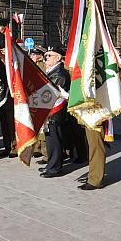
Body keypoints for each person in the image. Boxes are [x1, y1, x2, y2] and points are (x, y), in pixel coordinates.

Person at [41, 46, 71, 178]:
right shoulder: (52, 71)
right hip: (50, 112)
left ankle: (55, 168)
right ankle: (51, 163)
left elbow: (50, 93)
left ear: (58, 58)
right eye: (46, 55)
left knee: (54, 140)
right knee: (50, 139)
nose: (46, 57)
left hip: (55, 112)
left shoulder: (59, 73)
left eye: (49, 55)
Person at [28, 48, 48, 164]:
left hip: (42, 97)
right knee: (34, 124)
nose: (33, 56)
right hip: (32, 97)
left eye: (35, 55)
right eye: (32, 54)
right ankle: (36, 148)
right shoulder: (29, 64)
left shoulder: (43, 65)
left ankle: (45, 153)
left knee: (43, 127)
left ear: (40, 56)